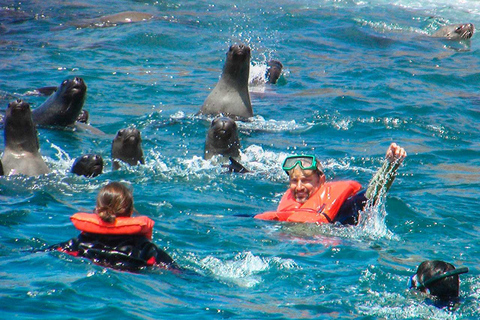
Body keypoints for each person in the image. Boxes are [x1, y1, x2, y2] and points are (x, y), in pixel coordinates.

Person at [254, 143, 407, 224]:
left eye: (306, 181)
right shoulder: (286, 209)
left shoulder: (342, 209)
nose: (299, 187)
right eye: (294, 181)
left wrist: (390, 165)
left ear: (321, 180)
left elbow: (373, 192)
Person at [50, 182, 179, 271]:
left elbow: (50, 251)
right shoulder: (144, 248)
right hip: (130, 277)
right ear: (130, 212)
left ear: (98, 210)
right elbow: (175, 270)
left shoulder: (79, 243)